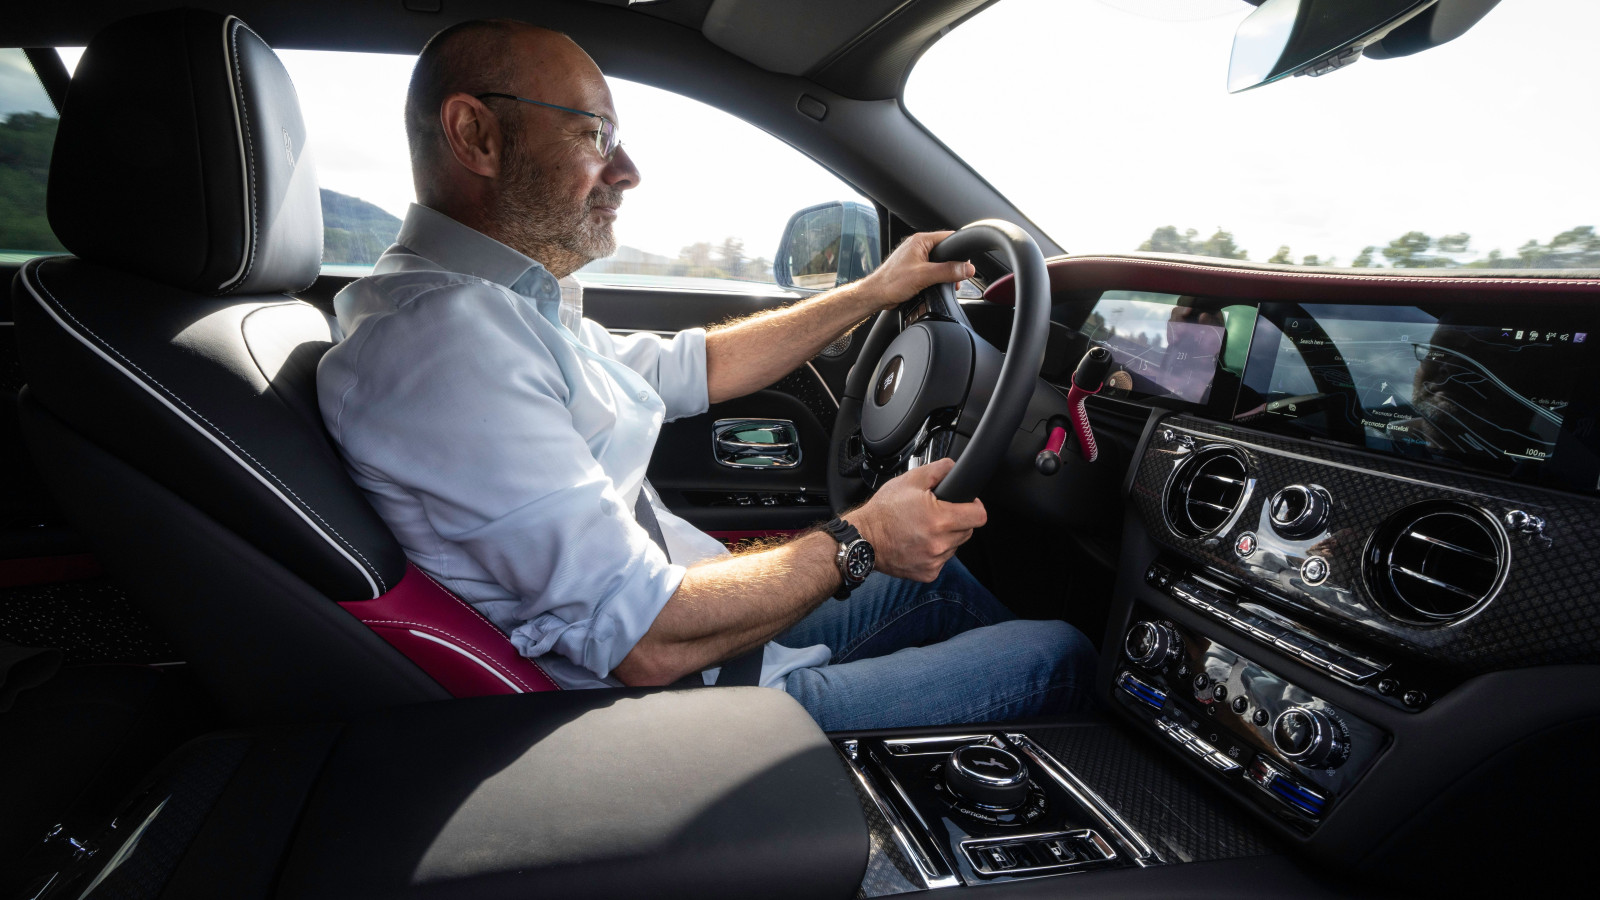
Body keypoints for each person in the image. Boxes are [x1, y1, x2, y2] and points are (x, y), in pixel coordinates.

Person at [317, 19, 1096, 730]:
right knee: (1056, 654)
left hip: (716, 642)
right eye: (595, 133)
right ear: (476, 134)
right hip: (696, 715)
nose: (628, 171)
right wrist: (865, 536)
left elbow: (695, 366)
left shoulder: (498, 310)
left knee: (943, 581)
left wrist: (873, 292)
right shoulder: (446, 348)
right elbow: (646, 640)